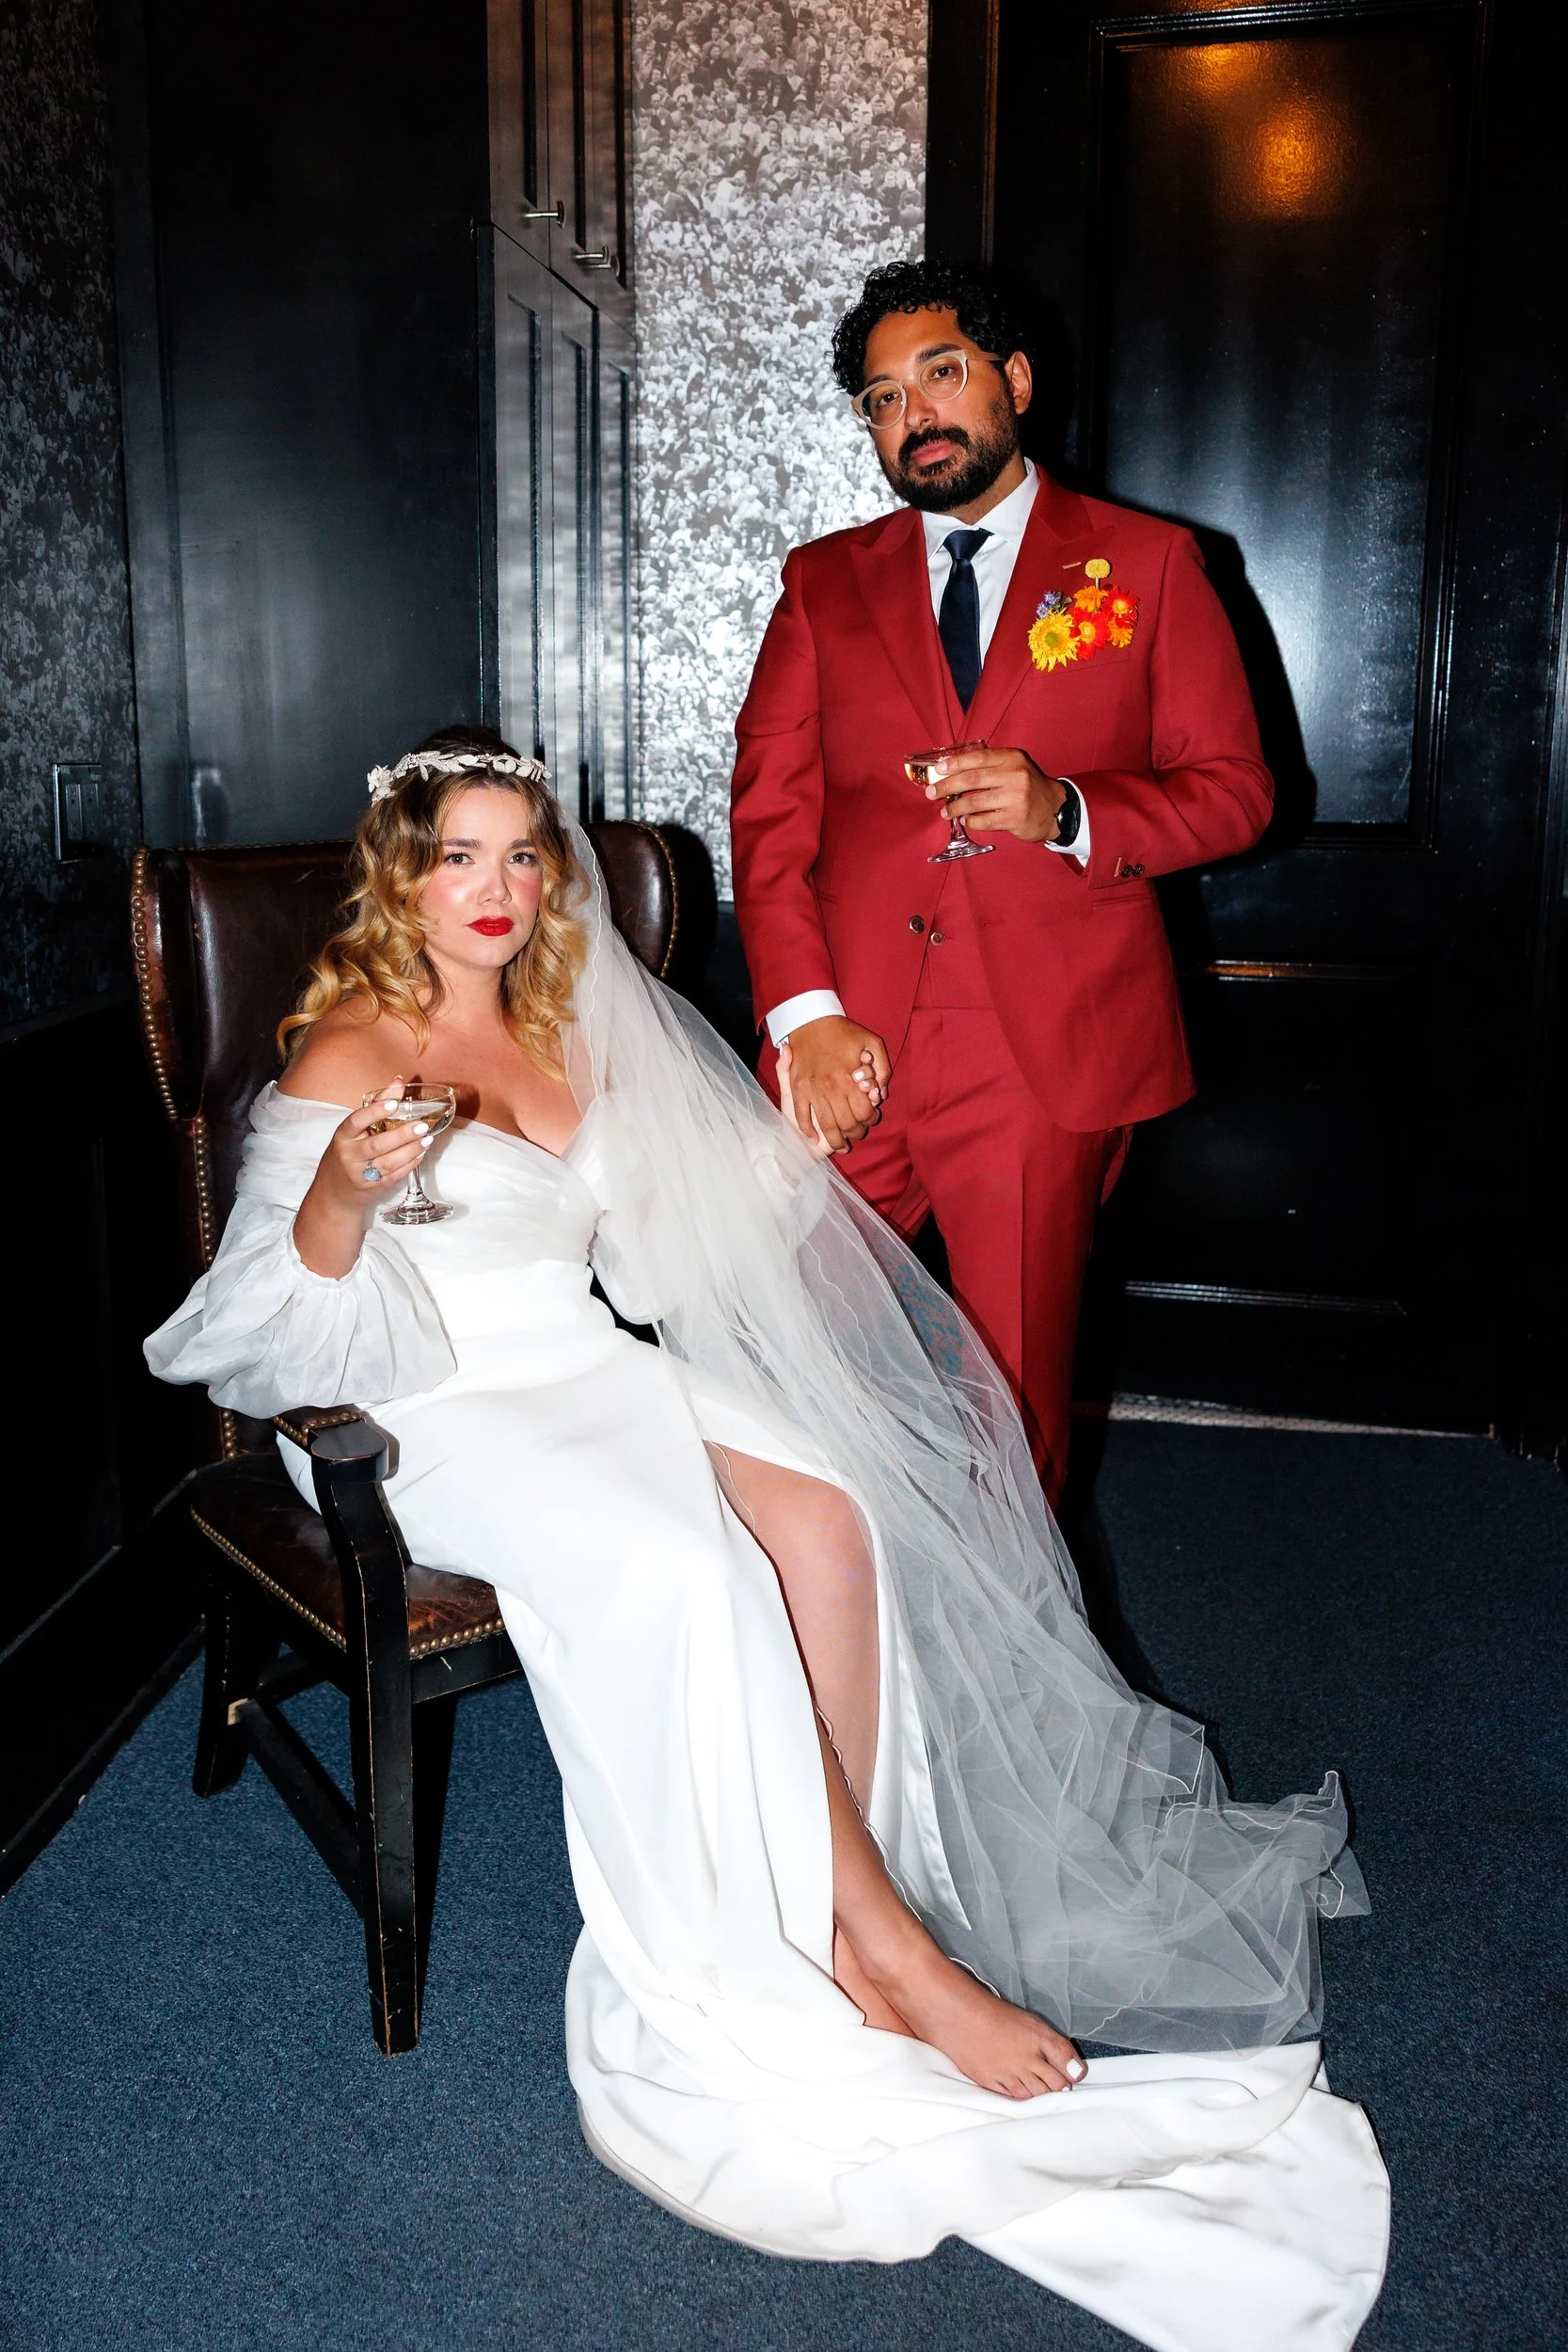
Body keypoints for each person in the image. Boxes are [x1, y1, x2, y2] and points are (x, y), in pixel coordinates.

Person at [146, 727, 1386, 2350]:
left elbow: (671, 1247)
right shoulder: (344, 1051)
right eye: (462, 855)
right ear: (403, 871)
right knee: (691, 1564)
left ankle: (825, 1893)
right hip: (422, 1415)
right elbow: (261, 1329)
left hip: (583, 1370)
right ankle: (869, 1948)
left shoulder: (566, 1032)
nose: (502, 888)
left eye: (526, 854)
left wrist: (792, 1148)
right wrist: (347, 1200)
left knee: (828, 1512)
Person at [731, 259, 1274, 1503]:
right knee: (785, 1358)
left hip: (1041, 1049)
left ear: (1012, 381)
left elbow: (1236, 791)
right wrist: (804, 1021)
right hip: (846, 1033)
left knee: (1011, 1396)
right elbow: (768, 822)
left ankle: (1009, 1677)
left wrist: (1069, 809)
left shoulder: (1146, 565)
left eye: (940, 373)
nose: (911, 413)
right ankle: (824, 1642)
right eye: (879, 398)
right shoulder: (821, 583)